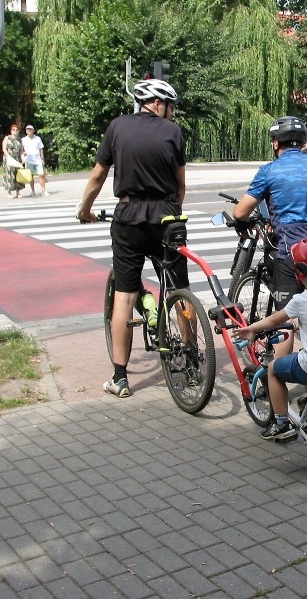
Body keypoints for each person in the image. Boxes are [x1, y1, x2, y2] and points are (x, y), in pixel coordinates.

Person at [76, 78, 186, 398]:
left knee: (124, 296)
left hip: (129, 219)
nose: (172, 112)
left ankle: (120, 378)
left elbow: (98, 176)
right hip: (168, 219)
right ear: (156, 103)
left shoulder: (117, 127)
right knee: (179, 290)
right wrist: (171, 212)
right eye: (170, 106)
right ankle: (191, 363)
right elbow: (180, 185)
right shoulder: (174, 133)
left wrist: (85, 210)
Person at [232, 116, 307, 363]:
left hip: (293, 251)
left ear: (276, 143)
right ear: (302, 143)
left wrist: (242, 223)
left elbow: (240, 212)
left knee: (285, 319)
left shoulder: (270, 170)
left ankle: (276, 379)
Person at [233, 237, 307, 440]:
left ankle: (280, 423)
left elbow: (273, 321)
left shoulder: (300, 300)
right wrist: (299, 324)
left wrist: (251, 329)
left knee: (274, 369)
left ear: (299, 273)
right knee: (304, 358)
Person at [21, 124, 49, 197]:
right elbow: (21, 150)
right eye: (27, 129)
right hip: (29, 160)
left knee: (41, 175)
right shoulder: (23, 139)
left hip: (37, 159)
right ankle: (33, 191)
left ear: (33, 130)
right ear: (26, 131)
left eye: (30, 129)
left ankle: (43, 191)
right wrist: (22, 157)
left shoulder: (38, 138)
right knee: (30, 176)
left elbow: (41, 149)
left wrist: (42, 158)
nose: (29, 130)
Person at [1, 124, 25, 199]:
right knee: (9, 175)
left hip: (17, 159)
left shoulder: (19, 140)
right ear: (11, 131)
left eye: (16, 129)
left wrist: (23, 158)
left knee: (17, 175)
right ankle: (9, 192)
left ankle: (18, 192)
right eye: (13, 129)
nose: (15, 131)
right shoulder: (7, 138)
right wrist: (8, 156)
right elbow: (4, 149)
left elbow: (21, 151)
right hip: (9, 158)